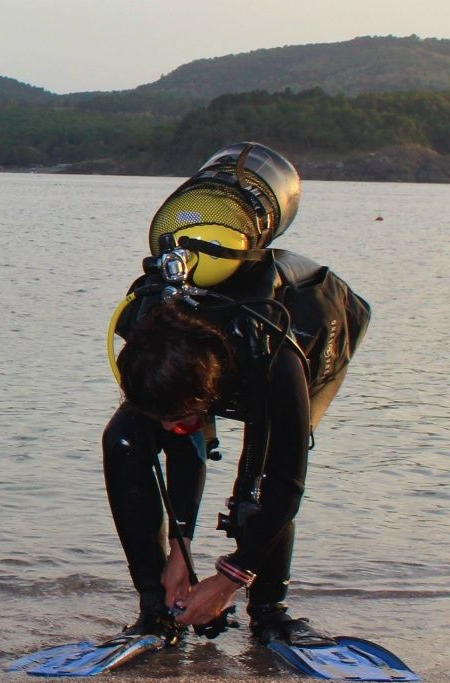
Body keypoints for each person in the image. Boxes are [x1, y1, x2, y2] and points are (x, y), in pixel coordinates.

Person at [103, 142, 370, 648]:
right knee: (124, 441)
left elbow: (287, 482)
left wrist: (230, 579)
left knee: (261, 476)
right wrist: (180, 549)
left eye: (179, 415)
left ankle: (270, 610)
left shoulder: (272, 354)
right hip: (195, 357)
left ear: (207, 394)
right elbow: (184, 446)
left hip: (317, 327)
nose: (169, 425)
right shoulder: (148, 323)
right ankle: (157, 608)